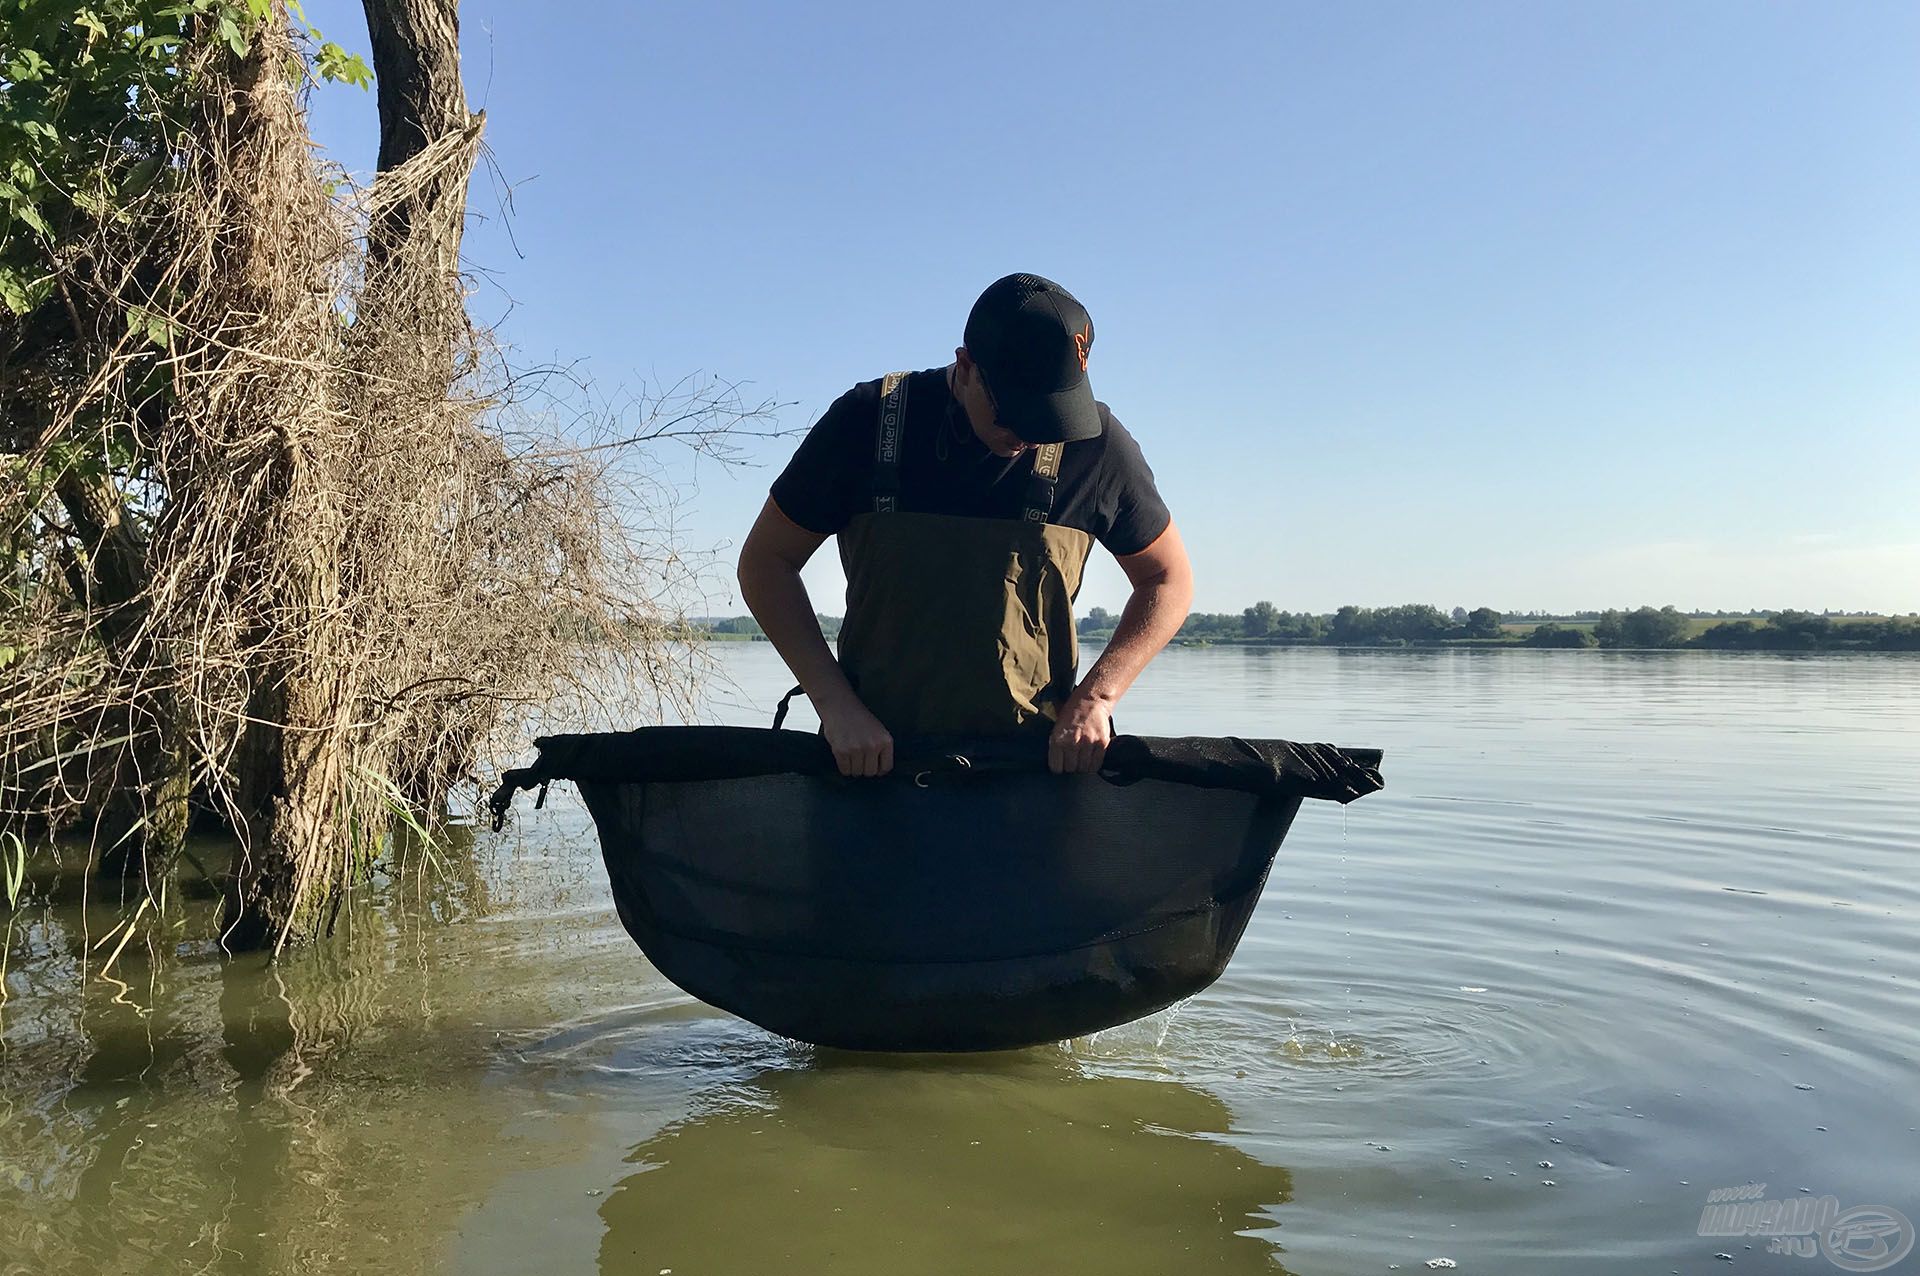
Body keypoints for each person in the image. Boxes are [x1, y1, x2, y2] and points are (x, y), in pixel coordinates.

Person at [736, 273, 1193, 777]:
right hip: (871, 770)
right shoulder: (866, 422)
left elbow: (1167, 579)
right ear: (966, 366)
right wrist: (835, 705)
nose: (1029, 437)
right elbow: (766, 563)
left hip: (1032, 778)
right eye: (1013, 416)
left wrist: (1099, 697)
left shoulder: (1098, 446)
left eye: (1052, 418)